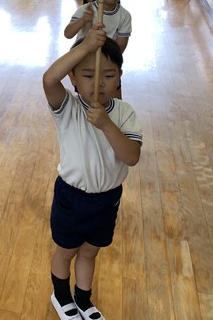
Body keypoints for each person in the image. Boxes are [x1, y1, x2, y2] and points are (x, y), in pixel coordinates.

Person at [43, 27, 142, 320]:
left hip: (107, 200)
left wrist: (107, 124)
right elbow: (49, 79)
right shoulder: (68, 108)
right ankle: (61, 297)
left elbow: (131, 157)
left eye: (108, 75)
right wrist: (85, 47)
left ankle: (83, 300)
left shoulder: (124, 113)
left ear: (120, 76)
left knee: (89, 252)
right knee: (66, 251)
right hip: (71, 197)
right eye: (87, 75)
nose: (98, 83)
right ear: (72, 78)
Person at [63, 0, 131, 54]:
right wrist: (83, 20)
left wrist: (106, 59)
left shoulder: (125, 16)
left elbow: (120, 47)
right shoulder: (85, 10)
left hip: (107, 57)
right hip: (81, 56)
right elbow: (68, 34)